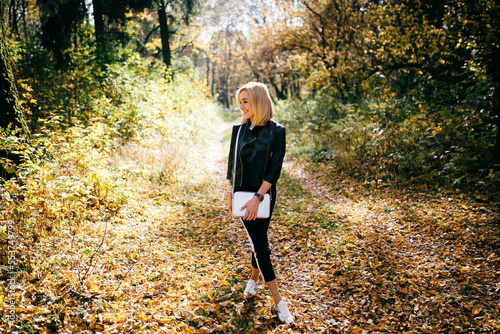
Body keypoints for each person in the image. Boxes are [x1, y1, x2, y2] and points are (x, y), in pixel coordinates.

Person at [227, 82, 294, 324]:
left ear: (258, 101)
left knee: (258, 243)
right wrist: (232, 195)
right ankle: (279, 302)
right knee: (261, 246)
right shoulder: (239, 129)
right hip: (244, 199)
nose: (241, 106)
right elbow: (232, 167)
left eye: (245, 101)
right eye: (240, 101)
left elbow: (274, 171)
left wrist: (259, 197)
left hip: (264, 197)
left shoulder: (277, 131)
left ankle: (253, 282)